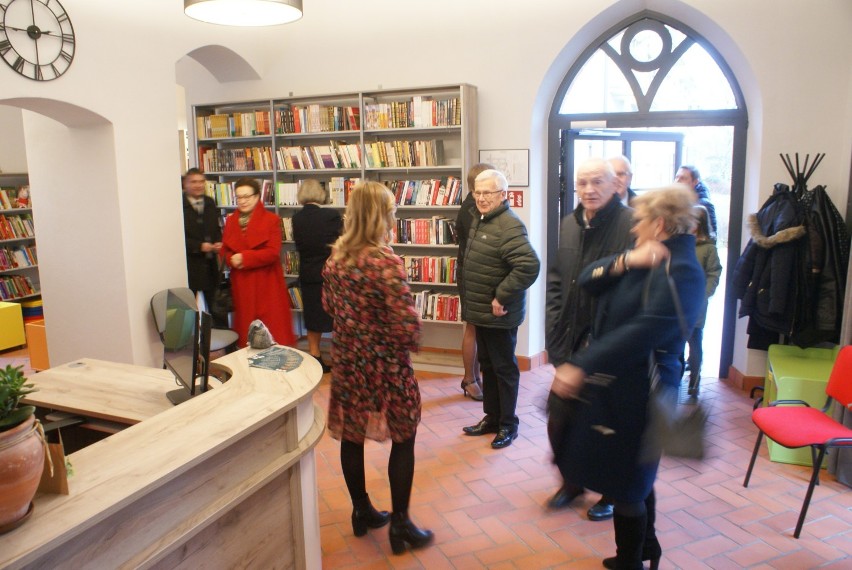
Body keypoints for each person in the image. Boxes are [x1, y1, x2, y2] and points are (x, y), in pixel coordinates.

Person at [550, 184, 705, 570]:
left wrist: (582, 364)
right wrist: (626, 261)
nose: (633, 229)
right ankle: (645, 549)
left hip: (643, 391)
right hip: (619, 383)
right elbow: (588, 279)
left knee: (629, 482)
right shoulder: (646, 257)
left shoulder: (683, 271)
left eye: (639, 222)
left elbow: (645, 331)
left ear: (659, 223)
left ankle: (630, 561)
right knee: (631, 475)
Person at [322, 181, 433, 555]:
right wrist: (407, 339)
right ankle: (400, 525)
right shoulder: (385, 261)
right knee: (404, 437)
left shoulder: (335, 259)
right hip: (386, 367)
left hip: (349, 362)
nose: (395, 215)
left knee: (352, 436)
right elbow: (406, 325)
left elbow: (329, 307)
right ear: (381, 216)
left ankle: (361, 511)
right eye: (392, 210)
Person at [545, 158, 633, 520]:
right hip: (568, 339)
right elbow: (556, 280)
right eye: (582, 182)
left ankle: (611, 492)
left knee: (608, 424)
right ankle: (572, 481)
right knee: (561, 417)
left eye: (598, 181)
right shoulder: (568, 223)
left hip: (608, 345)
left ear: (616, 185)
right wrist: (554, 330)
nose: (589, 189)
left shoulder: (631, 226)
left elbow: (631, 291)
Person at [460, 169, 540, 449]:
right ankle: (492, 418)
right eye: (477, 193)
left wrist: (501, 296)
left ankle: (508, 424)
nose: (481, 198)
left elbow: (529, 266)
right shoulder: (481, 219)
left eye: (488, 193)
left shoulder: (509, 225)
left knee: (504, 369)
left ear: (502, 195)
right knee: (489, 366)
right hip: (481, 311)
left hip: (499, 313)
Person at [221, 177, 295, 348]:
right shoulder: (231, 221)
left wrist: (244, 258)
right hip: (242, 285)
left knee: (272, 333)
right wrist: (230, 259)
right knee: (247, 335)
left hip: (267, 284)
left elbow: (272, 252)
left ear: (257, 197)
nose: (243, 201)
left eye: (247, 196)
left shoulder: (271, 220)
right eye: (239, 197)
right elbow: (224, 250)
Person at [292, 179, 342, 374]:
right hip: (330, 272)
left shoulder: (296, 218)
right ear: (320, 194)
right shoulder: (330, 215)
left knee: (313, 315)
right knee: (337, 315)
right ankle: (339, 356)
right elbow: (338, 244)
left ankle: (315, 355)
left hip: (308, 272)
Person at [455, 162, 495, 401]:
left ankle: (476, 377)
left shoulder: (477, 206)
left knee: (479, 327)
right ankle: (469, 379)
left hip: (478, 273)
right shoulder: (471, 210)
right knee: (472, 326)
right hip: (472, 274)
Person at [686, 205, 722, 397]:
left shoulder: (708, 248)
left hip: (697, 302)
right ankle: (679, 372)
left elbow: (714, 272)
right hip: (680, 300)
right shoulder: (682, 243)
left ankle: (695, 376)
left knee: (694, 339)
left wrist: (704, 294)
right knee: (677, 339)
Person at [182, 168, 222, 320]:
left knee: (217, 308)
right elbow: (176, 238)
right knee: (187, 311)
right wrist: (199, 246)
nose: (198, 185)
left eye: (201, 182)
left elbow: (216, 228)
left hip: (210, 265)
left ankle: (225, 342)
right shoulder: (178, 205)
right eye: (194, 182)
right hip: (190, 266)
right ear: (185, 184)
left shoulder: (210, 203)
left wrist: (218, 241)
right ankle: (190, 343)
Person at [675, 165, 717, 237]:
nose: (677, 181)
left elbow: (711, 235)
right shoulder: (675, 201)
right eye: (676, 177)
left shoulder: (704, 205)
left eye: (683, 178)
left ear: (695, 182)